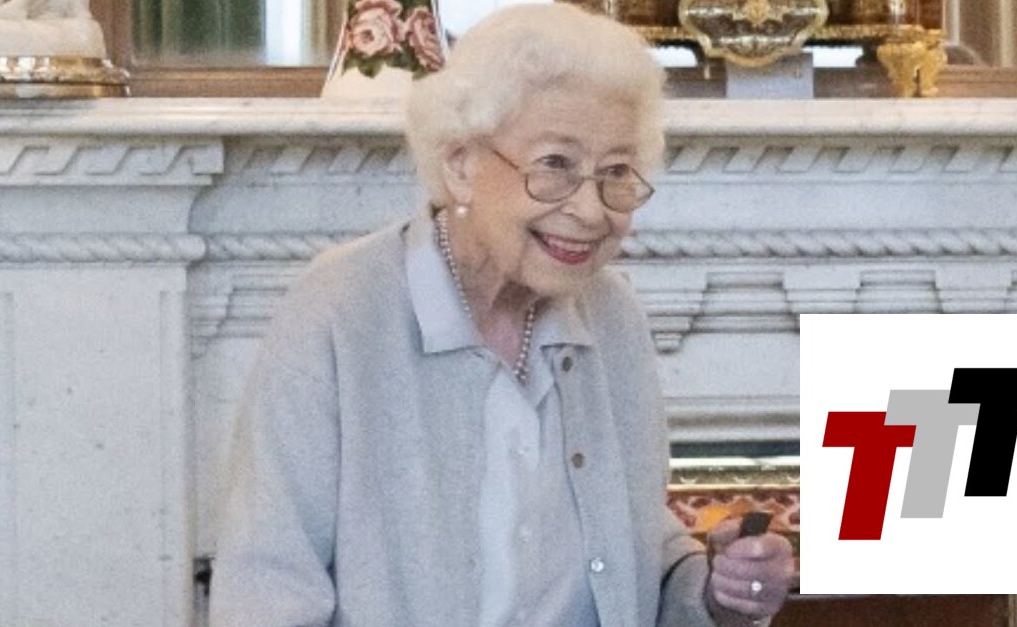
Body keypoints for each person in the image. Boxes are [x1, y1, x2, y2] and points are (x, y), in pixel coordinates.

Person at [209, 4, 794, 626]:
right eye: (555, 165)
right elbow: (268, 589)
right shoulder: (340, 309)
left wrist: (716, 592)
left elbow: (633, 552)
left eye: (616, 173)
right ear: (461, 164)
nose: (592, 211)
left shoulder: (613, 317)